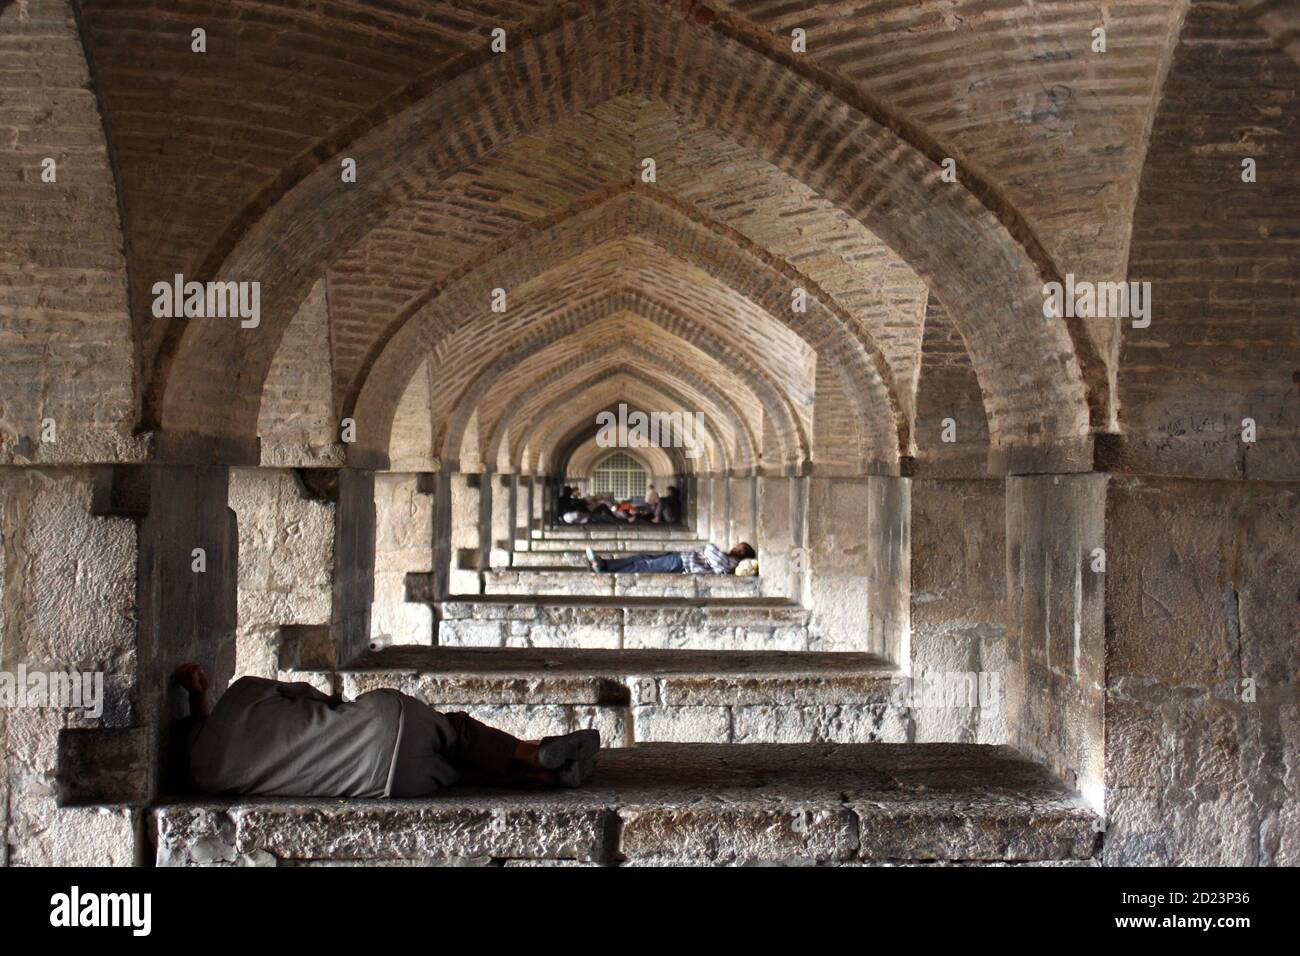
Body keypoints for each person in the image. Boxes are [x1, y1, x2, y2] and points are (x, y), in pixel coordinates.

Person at [168, 664, 599, 798]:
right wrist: (197, 694)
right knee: (457, 734)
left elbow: (204, 743)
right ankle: (529, 752)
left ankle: (541, 776)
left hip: (388, 782)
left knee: (459, 775)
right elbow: (320, 700)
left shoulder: (206, 780)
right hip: (392, 722)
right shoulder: (243, 695)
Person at [585, 542, 755, 575]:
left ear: (742, 554)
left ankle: (603, 568)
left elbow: (710, 549)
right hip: (680, 557)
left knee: (644, 566)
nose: (734, 547)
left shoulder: (731, 563)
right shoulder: (726, 557)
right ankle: (604, 563)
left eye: (739, 548)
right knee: (641, 558)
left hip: (682, 564)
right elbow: (711, 552)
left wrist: (710, 548)